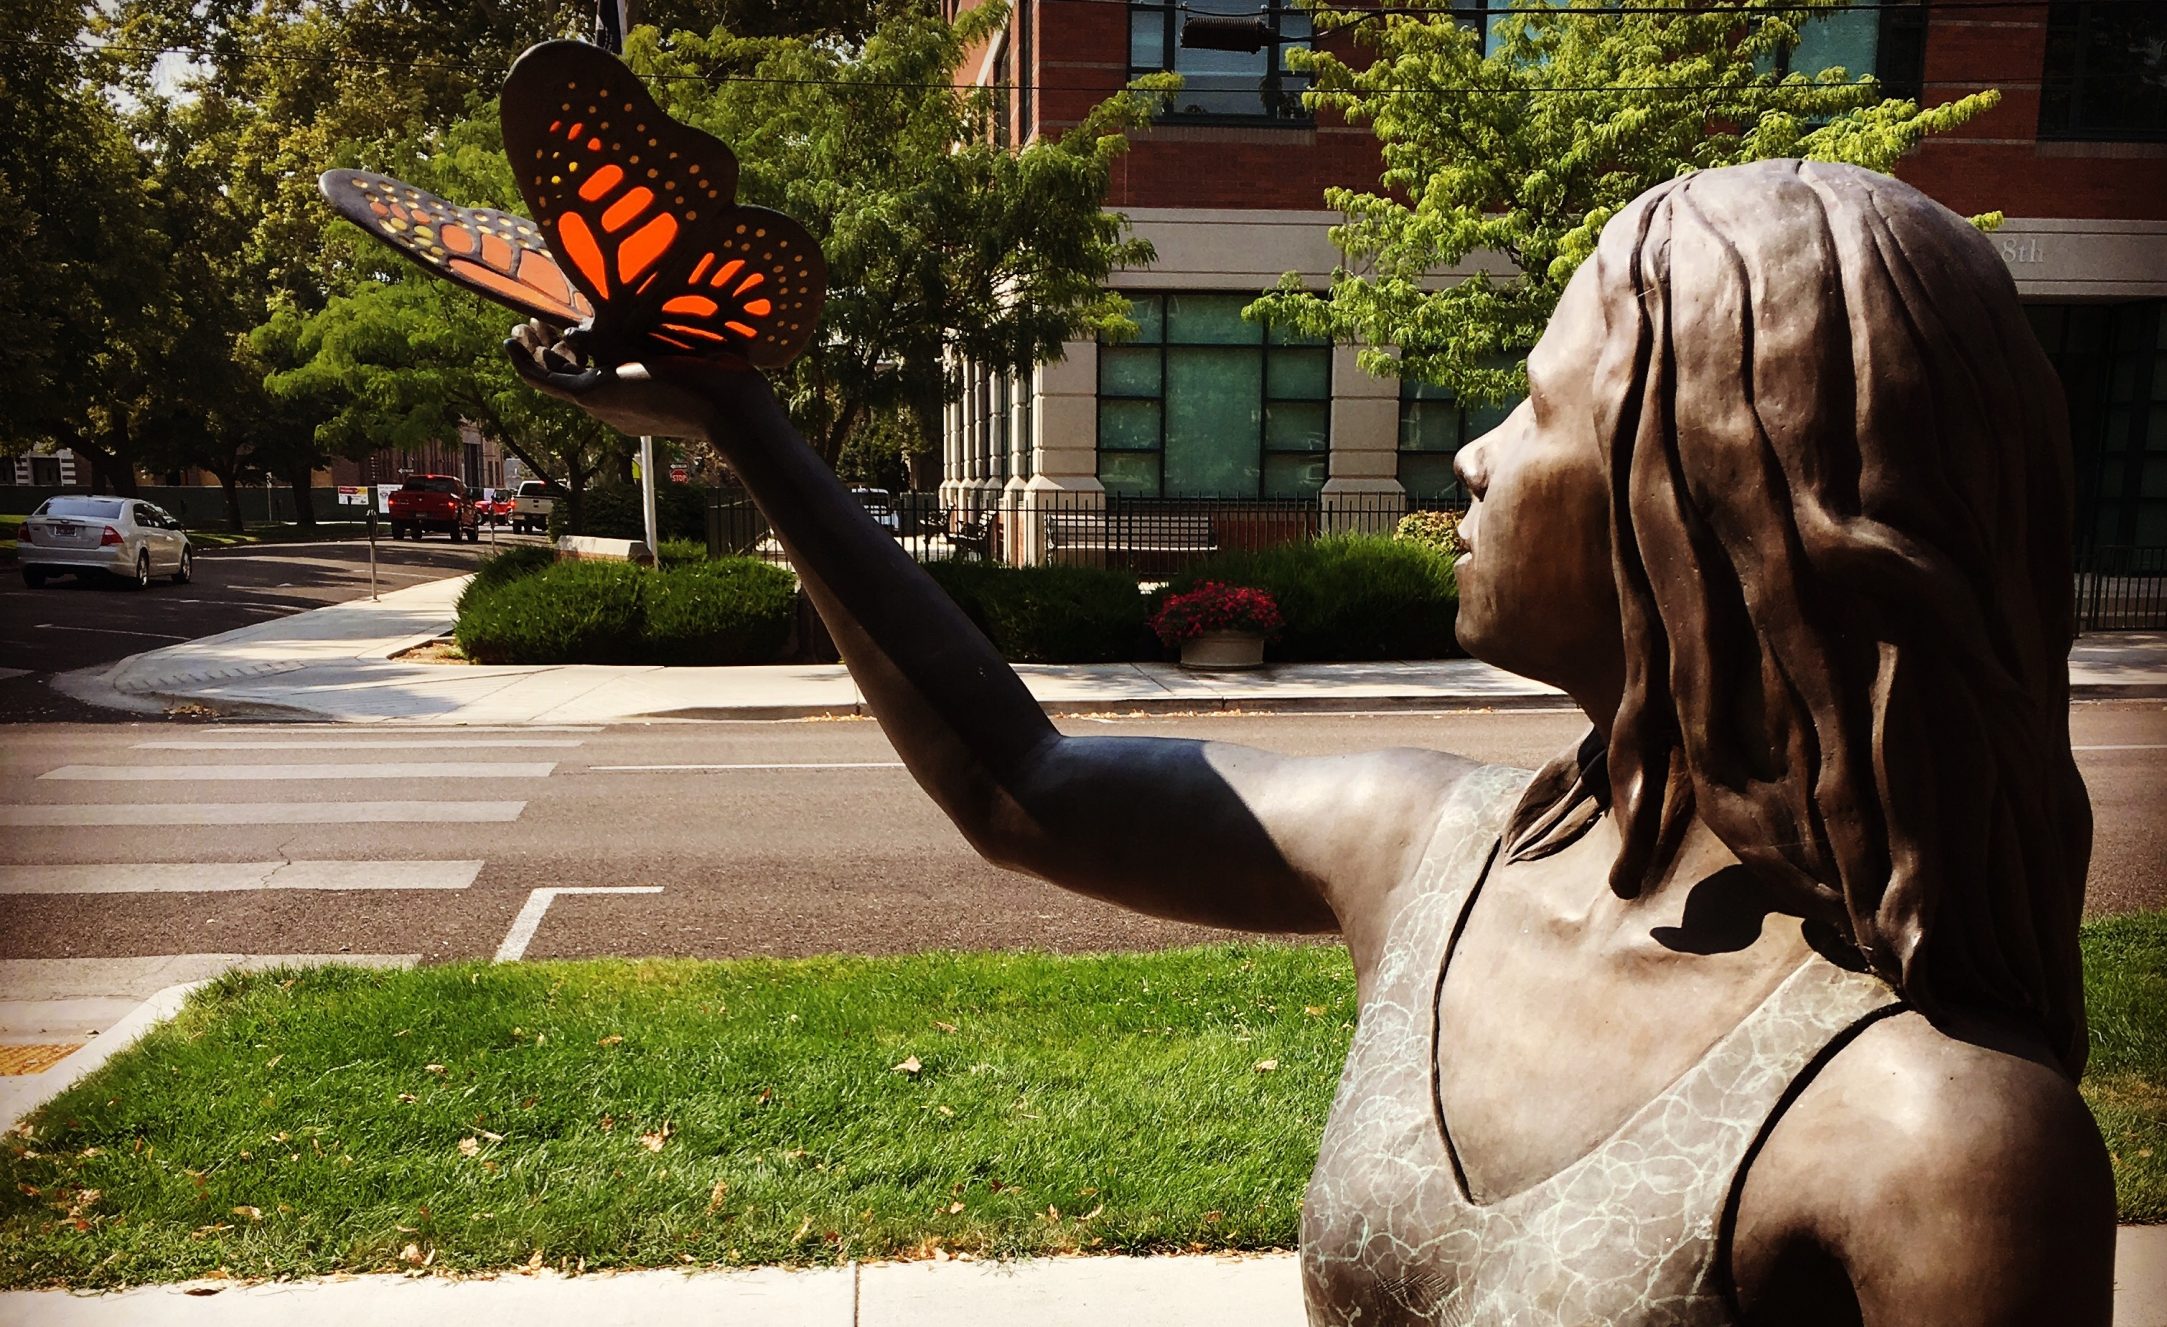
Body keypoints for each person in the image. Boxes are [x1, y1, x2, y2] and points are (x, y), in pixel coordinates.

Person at [506, 159, 2114, 1325]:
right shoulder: (1435, 858)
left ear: (1705, 503)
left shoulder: (1944, 1142)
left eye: (1538, 410)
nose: (1474, 456)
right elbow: (1025, 785)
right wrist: (744, 423)